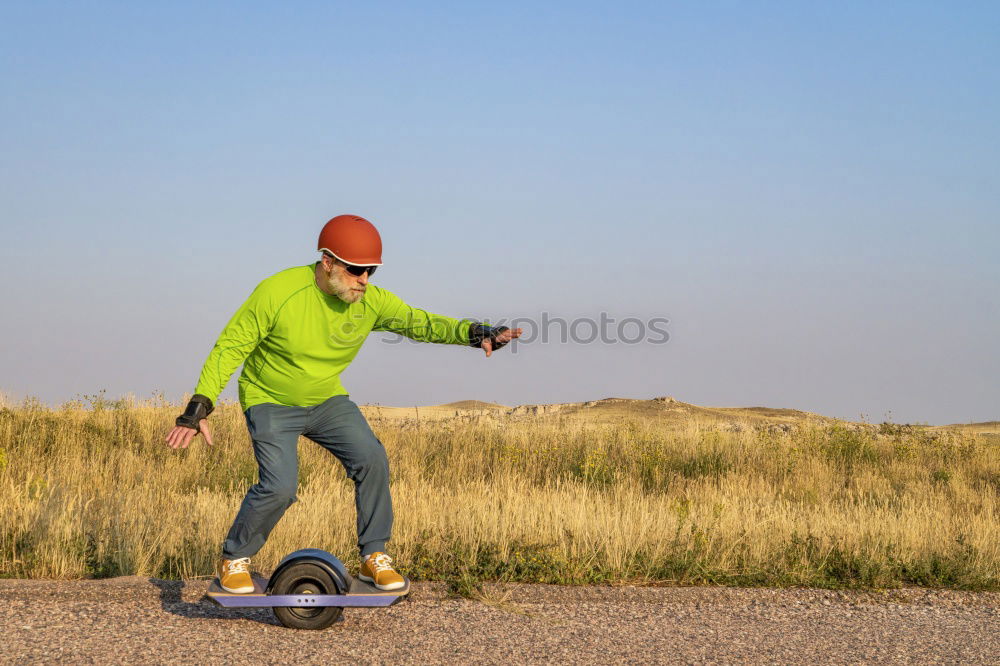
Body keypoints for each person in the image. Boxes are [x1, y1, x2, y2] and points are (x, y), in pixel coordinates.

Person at [164, 214, 521, 593]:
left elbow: (420, 322)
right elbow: (230, 347)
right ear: (328, 261)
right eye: (356, 270)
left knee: (371, 459)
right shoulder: (277, 292)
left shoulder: (370, 301)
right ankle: (233, 559)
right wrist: (198, 407)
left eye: (371, 272)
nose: (364, 281)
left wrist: (474, 332)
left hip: (326, 398)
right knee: (280, 486)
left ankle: (373, 556)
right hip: (270, 400)